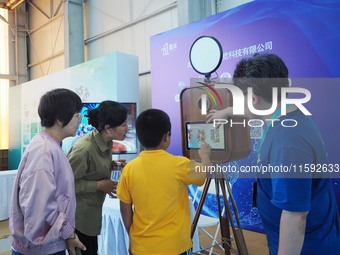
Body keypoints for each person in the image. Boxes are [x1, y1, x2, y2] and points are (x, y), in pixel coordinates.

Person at [207, 53, 340, 255]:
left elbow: (295, 217)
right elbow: (255, 109)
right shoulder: (290, 113)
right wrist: (226, 112)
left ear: (253, 98)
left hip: (308, 247)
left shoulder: (287, 140)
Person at [117, 108, 211, 255]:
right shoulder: (180, 165)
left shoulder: (129, 169)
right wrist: (205, 156)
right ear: (166, 137)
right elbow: (205, 173)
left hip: (141, 247)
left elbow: (125, 206)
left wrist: (132, 235)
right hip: (175, 246)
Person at [9, 88, 86, 255]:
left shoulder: (50, 144)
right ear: (60, 119)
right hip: (40, 248)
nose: (80, 120)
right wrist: (67, 232)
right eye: (76, 115)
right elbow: (39, 208)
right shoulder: (44, 152)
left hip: (47, 243)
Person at [67, 100, 128, 255]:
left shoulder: (106, 142)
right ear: (108, 128)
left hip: (92, 217)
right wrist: (99, 185)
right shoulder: (84, 149)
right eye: (123, 124)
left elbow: (92, 169)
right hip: (78, 221)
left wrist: (112, 165)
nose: (127, 128)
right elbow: (65, 186)